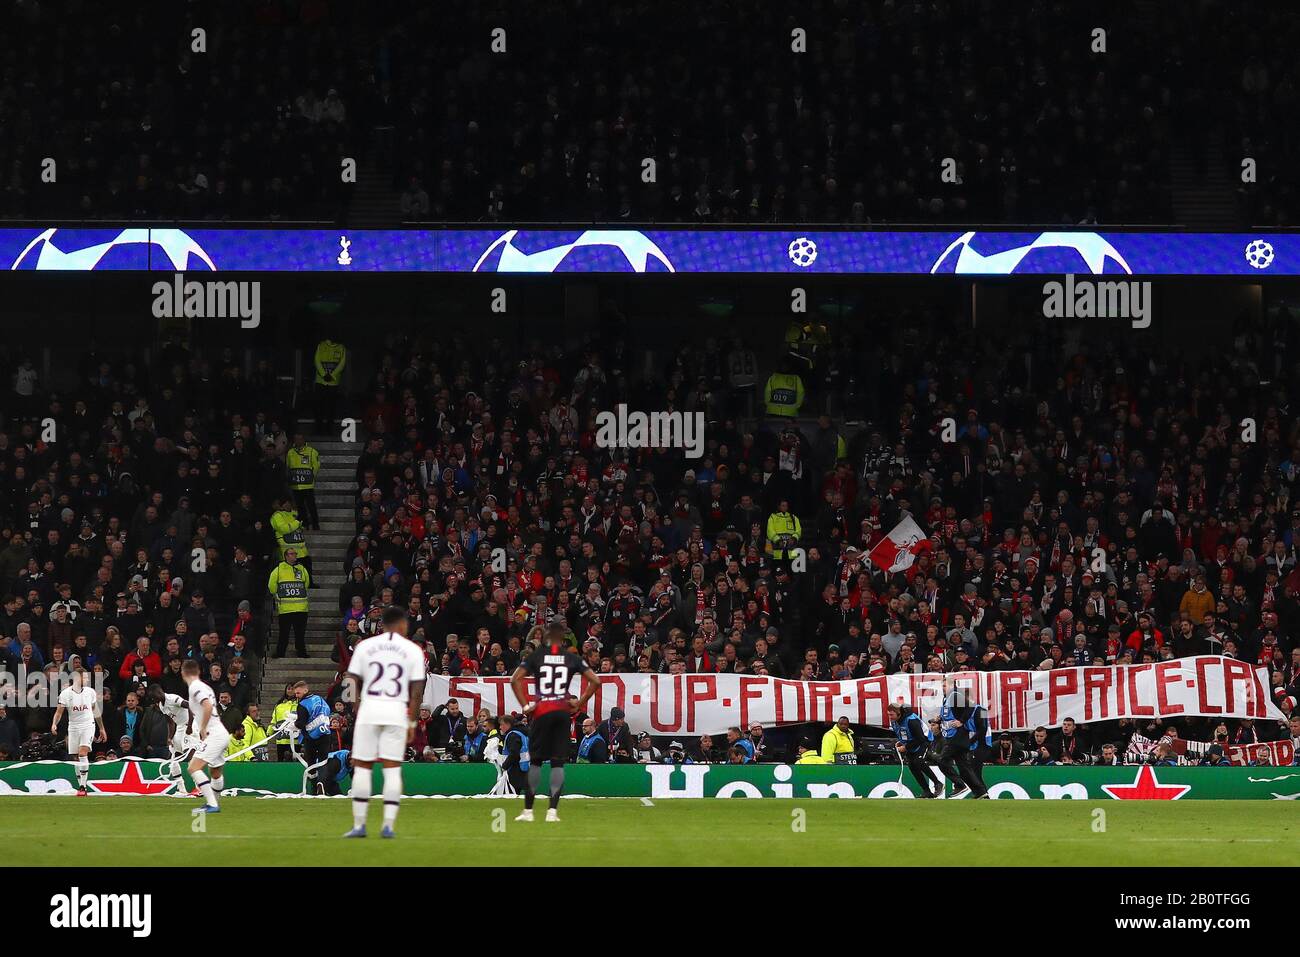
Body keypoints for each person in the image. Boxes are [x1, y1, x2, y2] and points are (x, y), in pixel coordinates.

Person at [342, 607, 426, 838]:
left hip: (369, 708)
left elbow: (350, 679)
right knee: (392, 769)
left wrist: (356, 706)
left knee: (362, 767)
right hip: (396, 710)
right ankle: (387, 825)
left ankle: (359, 825)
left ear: (382, 625)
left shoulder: (365, 646)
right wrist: (412, 722)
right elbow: (417, 692)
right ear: (401, 625)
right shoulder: (412, 650)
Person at [509, 622, 600, 822]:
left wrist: (525, 706)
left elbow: (514, 680)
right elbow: (596, 681)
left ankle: (528, 811)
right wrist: (579, 704)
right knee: (558, 763)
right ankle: (552, 812)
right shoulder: (572, 658)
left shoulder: (536, 657)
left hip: (542, 711)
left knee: (535, 762)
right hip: (561, 711)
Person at [182, 659, 230, 814]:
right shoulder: (206, 686)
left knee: (193, 767)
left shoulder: (195, 687)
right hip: (221, 732)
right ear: (199, 671)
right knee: (215, 772)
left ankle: (212, 804)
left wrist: (202, 728)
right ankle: (214, 802)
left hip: (214, 734)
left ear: (183, 673)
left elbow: (207, 706)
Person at [51, 668, 106, 796]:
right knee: (75, 757)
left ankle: (83, 786)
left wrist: (102, 728)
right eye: (85, 677)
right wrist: (54, 723)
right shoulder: (65, 694)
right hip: (73, 727)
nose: (87, 679)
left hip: (88, 725)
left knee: (82, 753)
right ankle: (80, 785)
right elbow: (59, 712)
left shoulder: (90, 692)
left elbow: (95, 711)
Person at [888, 701, 941, 798]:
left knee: (919, 761)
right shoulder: (894, 722)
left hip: (924, 740)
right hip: (911, 743)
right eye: (889, 715)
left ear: (899, 713)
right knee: (912, 765)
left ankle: (937, 783)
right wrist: (901, 742)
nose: (890, 717)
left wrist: (906, 747)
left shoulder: (911, 720)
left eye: (892, 714)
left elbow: (920, 738)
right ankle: (926, 791)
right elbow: (902, 733)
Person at [291, 680, 335, 793]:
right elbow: (328, 711)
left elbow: (301, 723)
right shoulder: (320, 699)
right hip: (325, 734)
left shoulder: (302, 705)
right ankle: (322, 784)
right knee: (323, 761)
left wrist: (293, 725)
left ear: (306, 690)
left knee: (311, 763)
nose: (296, 696)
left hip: (311, 737)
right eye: (296, 693)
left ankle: (314, 788)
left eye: (298, 693)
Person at [146, 684, 192, 790]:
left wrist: (190, 726)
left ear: (160, 692)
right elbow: (170, 722)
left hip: (190, 724)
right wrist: (170, 737)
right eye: (154, 698)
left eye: (156, 696)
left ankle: (199, 788)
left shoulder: (173, 698)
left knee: (189, 754)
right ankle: (181, 789)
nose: (155, 700)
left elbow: (190, 706)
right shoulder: (162, 706)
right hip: (180, 727)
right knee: (173, 757)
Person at [269, 547, 311, 659]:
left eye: (295, 554)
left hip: (301, 608)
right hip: (286, 608)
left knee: (300, 633)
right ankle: (280, 652)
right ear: (286, 556)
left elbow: (306, 583)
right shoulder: (278, 569)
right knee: (283, 634)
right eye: (291, 554)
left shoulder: (301, 568)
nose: (294, 556)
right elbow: (272, 586)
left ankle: (301, 652)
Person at [286, 434, 321, 531]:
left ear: (303, 440)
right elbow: (288, 467)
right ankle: (304, 523)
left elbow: (316, 466)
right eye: (296, 439)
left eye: (300, 439)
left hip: (308, 485)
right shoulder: (290, 452)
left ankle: (315, 524)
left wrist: (310, 477)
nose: (298, 441)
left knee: (311, 505)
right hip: (296, 485)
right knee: (300, 506)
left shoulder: (311, 451)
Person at [313, 336, 347, 430]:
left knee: (331, 406)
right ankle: (318, 425)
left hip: (333, 383)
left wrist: (332, 375)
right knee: (318, 405)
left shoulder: (341, 347)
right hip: (320, 381)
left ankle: (329, 426)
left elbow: (342, 363)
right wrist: (324, 374)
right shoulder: (321, 345)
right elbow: (317, 360)